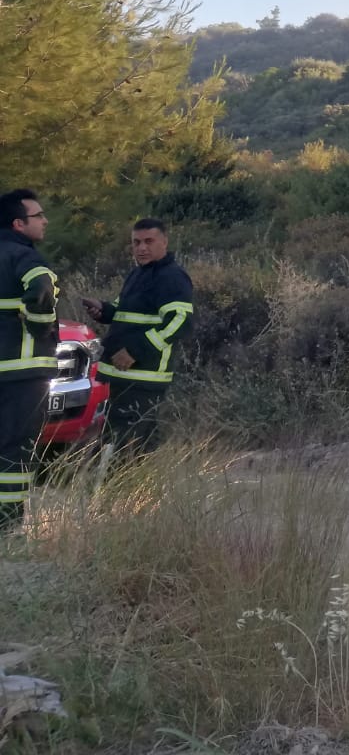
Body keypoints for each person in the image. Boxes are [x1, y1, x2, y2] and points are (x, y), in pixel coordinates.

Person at [84, 217, 193, 457]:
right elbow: (123, 309)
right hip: (119, 377)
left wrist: (135, 351)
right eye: (136, 242)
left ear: (164, 242)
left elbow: (180, 322)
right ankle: (140, 493)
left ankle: (113, 493)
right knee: (137, 449)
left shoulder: (172, 277)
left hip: (143, 378)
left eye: (148, 241)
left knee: (120, 449)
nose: (141, 248)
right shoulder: (137, 274)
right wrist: (104, 310)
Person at [0, 190, 59, 533]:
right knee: (15, 449)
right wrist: (40, 327)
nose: (45, 221)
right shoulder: (24, 256)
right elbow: (40, 288)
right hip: (22, 372)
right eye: (38, 216)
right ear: (18, 224)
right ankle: (8, 526)